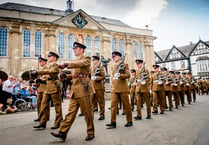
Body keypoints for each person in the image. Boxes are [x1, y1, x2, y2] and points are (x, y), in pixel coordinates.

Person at [51, 42, 95, 141]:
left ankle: (90, 132)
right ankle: (62, 132)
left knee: (87, 112)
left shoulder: (86, 58)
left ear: (82, 49)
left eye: (77, 48)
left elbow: (83, 64)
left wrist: (67, 64)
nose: (74, 50)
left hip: (84, 89)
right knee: (70, 113)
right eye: (74, 48)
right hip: (75, 90)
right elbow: (75, 75)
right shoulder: (74, 61)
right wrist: (66, 76)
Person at [33, 51, 63, 130]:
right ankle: (42, 122)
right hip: (48, 87)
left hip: (53, 86)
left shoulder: (56, 65)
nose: (48, 58)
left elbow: (51, 72)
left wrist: (38, 72)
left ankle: (58, 122)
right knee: (43, 105)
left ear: (54, 58)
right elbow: (46, 75)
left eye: (50, 57)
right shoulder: (49, 66)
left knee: (57, 106)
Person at [106, 51, 133, 129]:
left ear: (119, 57)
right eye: (113, 57)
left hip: (122, 88)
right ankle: (113, 122)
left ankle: (129, 120)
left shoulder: (124, 65)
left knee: (126, 105)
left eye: (115, 57)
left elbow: (128, 75)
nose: (114, 58)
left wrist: (120, 75)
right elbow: (113, 77)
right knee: (113, 106)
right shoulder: (113, 66)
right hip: (115, 88)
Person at [34, 57, 50, 122]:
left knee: (45, 104)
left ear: (44, 62)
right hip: (40, 88)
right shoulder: (39, 69)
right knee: (38, 103)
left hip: (45, 88)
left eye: (41, 62)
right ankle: (40, 116)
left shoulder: (46, 69)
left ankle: (46, 116)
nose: (40, 63)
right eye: (40, 62)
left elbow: (46, 79)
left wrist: (40, 80)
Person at [91, 55, 105, 120]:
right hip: (93, 87)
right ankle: (94, 109)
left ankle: (102, 114)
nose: (93, 61)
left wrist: (96, 78)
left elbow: (103, 77)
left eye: (94, 60)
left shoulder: (101, 67)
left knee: (101, 102)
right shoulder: (92, 67)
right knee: (93, 101)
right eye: (92, 60)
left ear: (97, 60)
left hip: (99, 87)